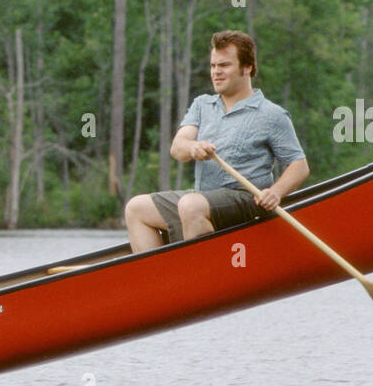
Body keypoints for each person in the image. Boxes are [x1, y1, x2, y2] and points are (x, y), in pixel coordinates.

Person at [125, 30, 309, 252]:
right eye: (213, 66)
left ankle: (200, 275)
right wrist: (194, 147)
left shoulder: (272, 114)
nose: (216, 72)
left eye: (224, 65)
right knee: (136, 208)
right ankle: (158, 280)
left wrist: (276, 192)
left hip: (246, 201)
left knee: (190, 206)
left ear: (247, 67)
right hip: (201, 198)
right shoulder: (202, 105)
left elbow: (299, 166)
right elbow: (178, 148)